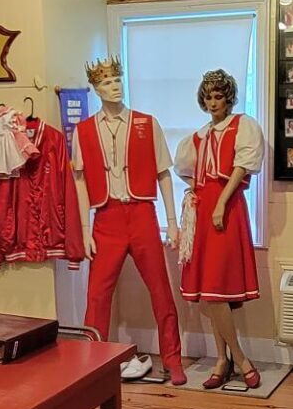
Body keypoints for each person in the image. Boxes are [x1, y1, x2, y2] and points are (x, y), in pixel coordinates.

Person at [72, 56, 186, 386]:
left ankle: (172, 359)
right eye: (107, 82)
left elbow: (163, 173)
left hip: (142, 215)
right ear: (95, 89)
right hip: (105, 219)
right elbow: (79, 180)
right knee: (97, 296)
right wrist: (84, 228)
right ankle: (92, 365)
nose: (115, 86)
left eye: (118, 80)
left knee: (161, 290)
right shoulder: (83, 131)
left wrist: (172, 220)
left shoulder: (147, 123)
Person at [174, 69, 264, 390]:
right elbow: (186, 171)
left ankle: (235, 359)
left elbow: (242, 169)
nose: (213, 102)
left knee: (217, 289)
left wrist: (221, 203)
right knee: (213, 293)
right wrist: (199, 195)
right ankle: (225, 359)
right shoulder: (198, 137)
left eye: (218, 96)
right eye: (208, 97)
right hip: (204, 212)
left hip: (226, 210)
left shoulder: (243, 126)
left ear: (228, 98)